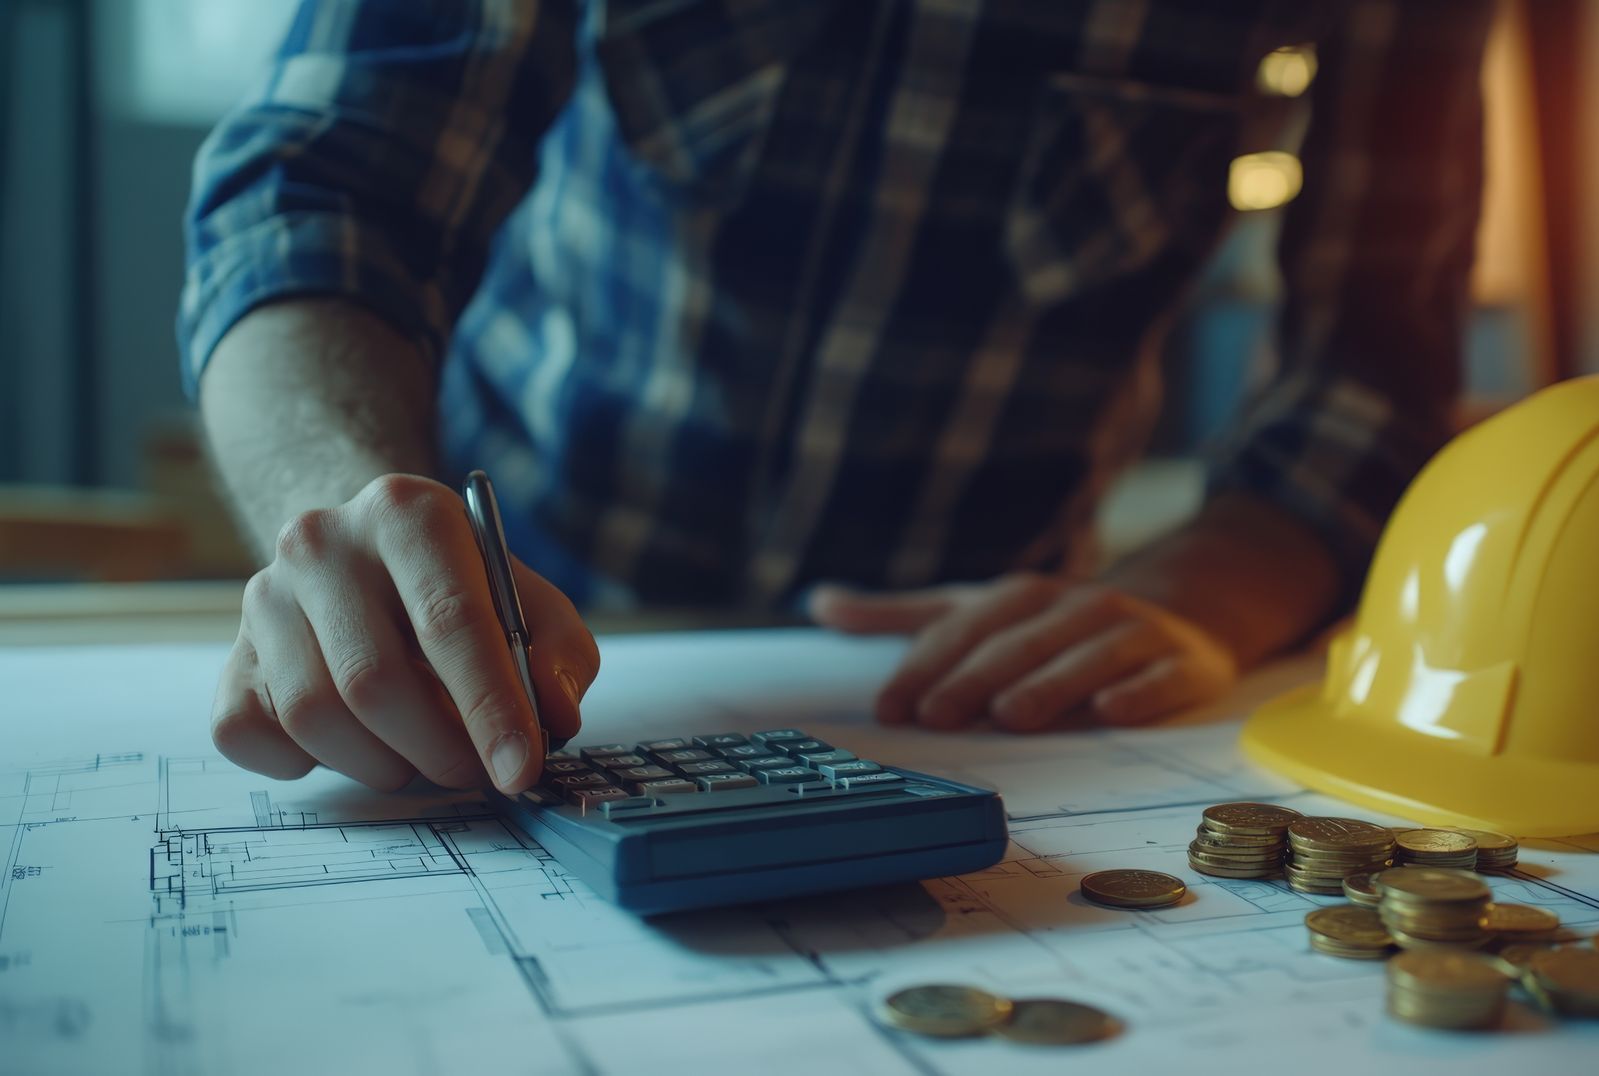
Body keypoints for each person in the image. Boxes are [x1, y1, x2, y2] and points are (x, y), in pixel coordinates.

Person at [182, 0, 1489, 797]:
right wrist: (348, 506)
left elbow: (1375, 357)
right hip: (517, 597)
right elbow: (329, 187)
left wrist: (1208, 585)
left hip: (986, 675)